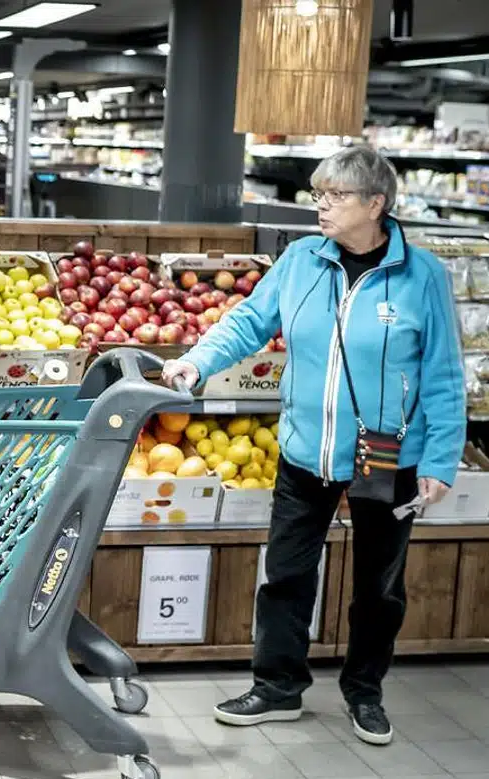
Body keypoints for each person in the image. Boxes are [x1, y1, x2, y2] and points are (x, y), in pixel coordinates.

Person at [163, 145, 466, 746]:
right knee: (286, 575)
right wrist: (196, 364)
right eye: (318, 193)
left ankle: (365, 692)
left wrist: (439, 459)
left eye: (335, 195)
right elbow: (250, 322)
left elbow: (443, 374)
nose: (320, 205)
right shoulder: (301, 259)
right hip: (308, 451)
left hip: (389, 457)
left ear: (375, 204)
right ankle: (278, 686)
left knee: (379, 586)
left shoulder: (423, 276)